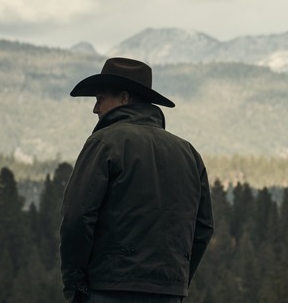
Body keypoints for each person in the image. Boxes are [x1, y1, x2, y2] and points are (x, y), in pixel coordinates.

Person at [60, 57, 214, 302]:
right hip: (169, 293)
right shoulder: (189, 153)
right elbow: (203, 227)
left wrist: (75, 286)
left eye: (100, 99)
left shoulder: (104, 143)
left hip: (108, 289)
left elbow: (77, 217)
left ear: (123, 98)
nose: (95, 108)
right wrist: (176, 280)